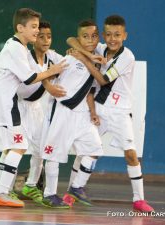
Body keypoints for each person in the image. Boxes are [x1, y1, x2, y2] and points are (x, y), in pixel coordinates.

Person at [65, 15, 154, 213]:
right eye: (109, 34)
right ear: (104, 35)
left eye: (118, 35)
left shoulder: (127, 56)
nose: (113, 38)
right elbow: (70, 39)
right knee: (85, 152)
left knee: (131, 155)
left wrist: (83, 59)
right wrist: (80, 51)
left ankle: (139, 200)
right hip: (98, 108)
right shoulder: (100, 48)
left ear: (125, 36)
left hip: (121, 112)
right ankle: (71, 194)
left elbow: (104, 80)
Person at [0, 8, 67, 207]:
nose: (37, 31)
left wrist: (51, 72)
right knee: (19, 146)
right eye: (34, 27)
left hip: (3, 102)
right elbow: (30, 79)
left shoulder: (21, 48)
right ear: (20, 28)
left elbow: (38, 73)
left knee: (12, 146)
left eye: (38, 27)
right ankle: (1, 191)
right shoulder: (15, 48)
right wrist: (52, 71)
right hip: (2, 102)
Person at [39, 19, 104, 209]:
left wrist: (92, 112)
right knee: (54, 155)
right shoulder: (70, 57)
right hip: (63, 111)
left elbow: (90, 90)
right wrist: (49, 86)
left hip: (82, 113)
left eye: (93, 36)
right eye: (85, 37)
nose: (90, 40)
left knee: (95, 150)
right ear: (79, 38)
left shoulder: (98, 57)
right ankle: (49, 194)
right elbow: (49, 74)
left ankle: (76, 187)